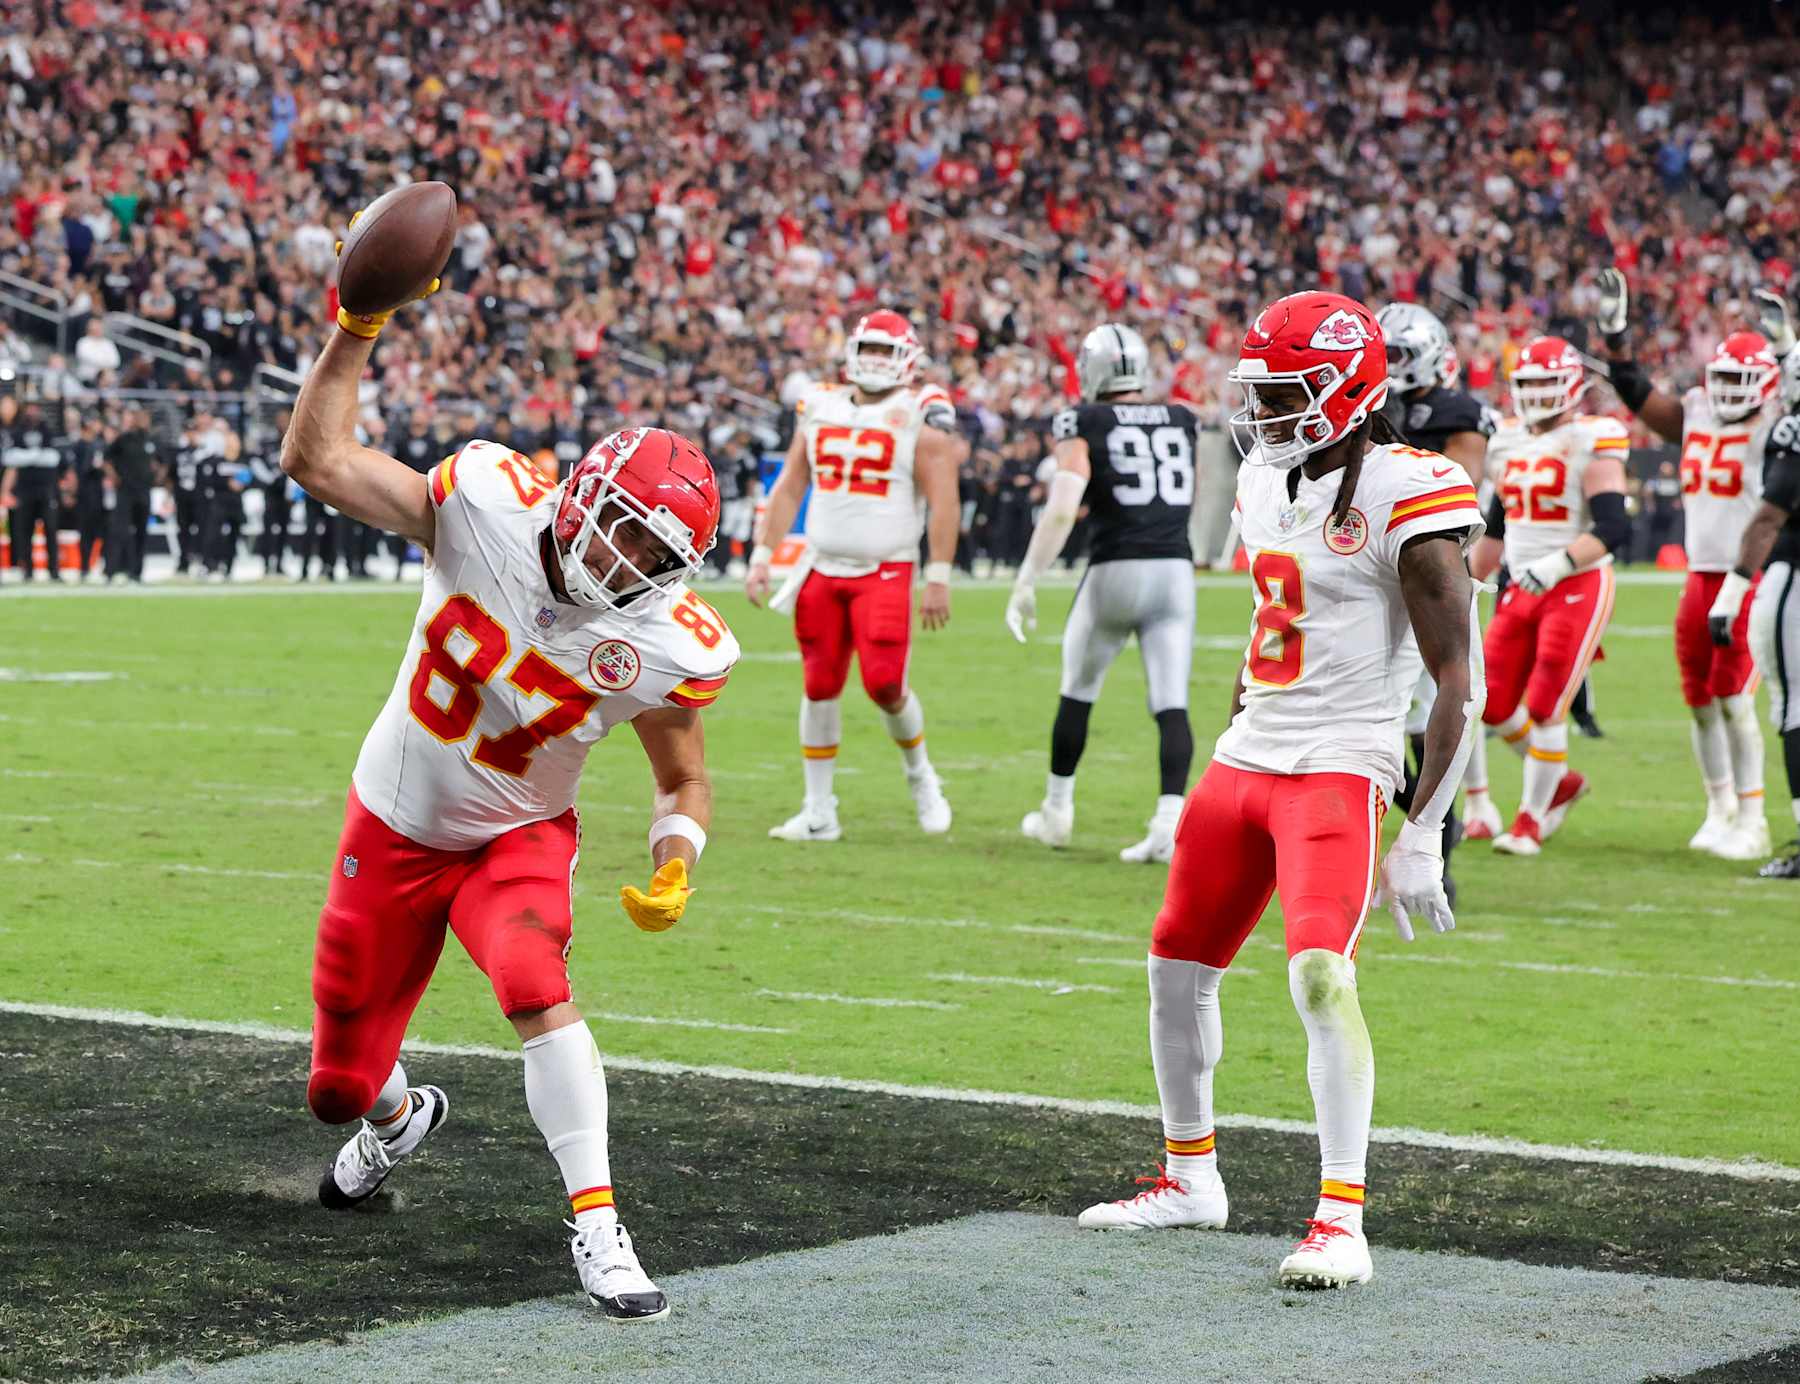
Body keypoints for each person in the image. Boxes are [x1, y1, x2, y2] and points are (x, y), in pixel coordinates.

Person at [285, 232, 737, 1323]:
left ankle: (601, 1227)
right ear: (581, 493)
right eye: (620, 532)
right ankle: (397, 1121)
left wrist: (677, 855)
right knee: (338, 1086)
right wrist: (357, 326)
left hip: (517, 836)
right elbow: (320, 461)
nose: (624, 564)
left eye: (653, 559)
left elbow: (683, 780)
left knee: (534, 980)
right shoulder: (485, 501)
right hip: (393, 824)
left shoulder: (667, 643)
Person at [1076, 291, 1483, 1291]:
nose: (1261, 411)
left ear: (1347, 392)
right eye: (1257, 391)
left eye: (1284, 393)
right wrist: (1230, 733)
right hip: (1250, 749)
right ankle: (1190, 1180)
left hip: (1340, 761)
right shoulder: (1265, 477)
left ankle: (1341, 1219)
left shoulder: (1409, 488)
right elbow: (1271, 627)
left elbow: (1457, 681)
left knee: (1319, 977)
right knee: (1174, 964)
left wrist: (1422, 830)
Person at [746, 309, 967, 841]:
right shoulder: (819, 405)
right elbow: (791, 484)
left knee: (885, 684)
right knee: (819, 684)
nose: (874, 360)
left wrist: (938, 575)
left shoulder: (919, 411)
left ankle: (921, 776)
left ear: (908, 359)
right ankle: (818, 810)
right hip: (820, 566)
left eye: (885, 351)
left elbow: (944, 500)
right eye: (867, 348)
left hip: (885, 567)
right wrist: (762, 554)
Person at [1595, 270, 1781, 861]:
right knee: (1699, 700)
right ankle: (1719, 807)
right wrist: (1616, 337)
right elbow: (1636, 393)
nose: (1726, 390)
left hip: (1748, 575)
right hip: (1698, 574)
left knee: (1733, 698)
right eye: (1720, 377)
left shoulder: (1778, 422)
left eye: (1739, 380)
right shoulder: (1696, 410)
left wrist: (1787, 346)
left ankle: (1753, 817)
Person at [1005, 322, 1203, 862]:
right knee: (1171, 702)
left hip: (1116, 566)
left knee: (1078, 690)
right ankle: (1167, 824)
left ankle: (1057, 812)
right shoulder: (1181, 417)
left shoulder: (1084, 419)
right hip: (1175, 569)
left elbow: (1063, 506)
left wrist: (1027, 578)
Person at [1462, 337, 1628, 855]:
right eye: (1528, 384)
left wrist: (1558, 564)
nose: (1535, 394)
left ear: (1571, 386)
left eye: (1545, 384)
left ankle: (1529, 822)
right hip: (1522, 582)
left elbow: (1614, 526)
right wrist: (1467, 581)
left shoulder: (1592, 438)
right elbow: (1497, 525)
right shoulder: (1508, 440)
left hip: (1576, 581)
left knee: (1546, 702)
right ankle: (1559, 783)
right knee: (1490, 702)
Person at [1375, 302, 1496, 899]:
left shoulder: (1457, 412)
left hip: (1435, 586)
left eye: (1397, 354)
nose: (1388, 365)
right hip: (1374, 579)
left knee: (1430, 724)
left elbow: (1458, 487)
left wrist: (1393, 437)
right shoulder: (1366, 405)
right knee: (1375, 728)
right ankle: (1426, 824)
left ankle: (1437, 862)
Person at [1705, 312, 1800, 878]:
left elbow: (1769, 515)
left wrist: (1734, 588)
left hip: (1794, 575)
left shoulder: (1791, 429)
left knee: (1792, 705)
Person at [1, 402, 65, 582]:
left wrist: (26, 457)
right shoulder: (17, 432)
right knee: (24, 531)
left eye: (35, 409)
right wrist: (37, 455)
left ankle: (54, 571)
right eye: (29, 409)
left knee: (51, 530)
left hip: (46, 490)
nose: (32, 412)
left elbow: (54, 458)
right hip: (25, 491)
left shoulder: (48, 431)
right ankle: (27, 570)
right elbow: (10, 459)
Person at [105, 406, 157, 582]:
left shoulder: (150, 440)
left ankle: (136, 573)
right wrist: (114, 477)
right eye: (141, 417)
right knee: (120, 531)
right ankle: (112, 570)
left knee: (142, 532)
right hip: (126, 491)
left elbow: (162, 461)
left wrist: (156, 476)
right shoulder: (124, 439)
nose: (144, 421)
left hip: (144, 491)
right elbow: (106, 459)